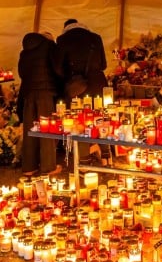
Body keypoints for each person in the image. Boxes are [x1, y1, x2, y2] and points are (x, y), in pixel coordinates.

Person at [18, 32, 60, 175]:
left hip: (28, 93)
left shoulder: (25, 52)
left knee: (30, 131)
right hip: (45, 92)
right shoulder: (49, 47)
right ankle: (48, 166)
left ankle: (29, 167)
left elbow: (22, 73)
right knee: (47, 129)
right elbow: (57, 68)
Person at [54, 19, 107, 98]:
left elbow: (58, 69)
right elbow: (103, 65)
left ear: (65, 28)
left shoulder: (62, 39)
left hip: (75, 87)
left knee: (75, 109)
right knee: (99, 109)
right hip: (97, 83)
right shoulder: (96, 38)